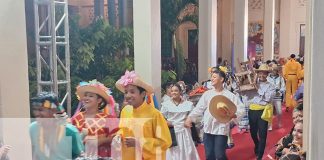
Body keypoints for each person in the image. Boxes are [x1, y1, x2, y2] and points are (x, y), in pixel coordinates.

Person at [184, 67, 245, 160]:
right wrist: (190, 118)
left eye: (214, 77)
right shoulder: (207, 94)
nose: (211, 79)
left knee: (220, 155)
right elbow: (199, 108)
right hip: (208, 128)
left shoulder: (229, 95)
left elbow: (241, 109)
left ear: (221, 79)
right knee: (209, 155)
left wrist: (234, 115)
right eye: (211, 77)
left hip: (221, 128)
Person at [114, 70, 171, 160]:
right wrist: (119, 135)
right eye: (126, 92)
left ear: (143, 94)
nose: (128, 95)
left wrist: (139, 142)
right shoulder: (125, 111)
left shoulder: (154, 114)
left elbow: (165, 142)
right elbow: (122, 129)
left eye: (132, 92)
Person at [29, 92, 84, 160]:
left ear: (53, 110)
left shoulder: (70, 131)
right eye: (35, 110)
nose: (37, 113)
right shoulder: (32, 128)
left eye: (40, 110)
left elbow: (80, 156)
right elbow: (35, 154)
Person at [72, 80, 119, 158]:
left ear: (99, 100)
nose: (86, 98)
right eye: (85, 95)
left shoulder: (108, 119)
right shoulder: (76, 118)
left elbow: (118, 136)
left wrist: (101, 140)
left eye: (90, 96)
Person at [161, 83, 200, 160]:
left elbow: (194, 115)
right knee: (172, 152)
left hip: (184, 131)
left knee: (186, 150)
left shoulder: (188, 104)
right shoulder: (166, 104)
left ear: (180, 92)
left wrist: (189, 120)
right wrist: (166, 122)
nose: (174, 92)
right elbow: (161, 117)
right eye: (172, 91)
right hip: (172, 131)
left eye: (176, 91)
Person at [248, 64, 276, 160]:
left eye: (264, 73)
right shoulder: (252, 82)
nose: (262, 75)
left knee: (263, 134)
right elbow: (245, 94)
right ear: (257, 73)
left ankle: (259, 157)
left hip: (263, 111)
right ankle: (257, 143)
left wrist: (257, 88)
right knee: (252, 133)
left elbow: (268, 98)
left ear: (267, 74)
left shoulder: (271, 86)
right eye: (260, 72)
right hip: (251, 110)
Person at [267, 64, 286, 129]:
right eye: (272, 70)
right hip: (270, 97)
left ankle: (279, 122)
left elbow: (283, 87)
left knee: (279, 112)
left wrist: (280, 91)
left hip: (278, 96)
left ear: (276, 70)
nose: (273, 71)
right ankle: (270, 125)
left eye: (274, 70)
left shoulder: (281, 78)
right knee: (269, 112)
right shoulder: (267, 78)